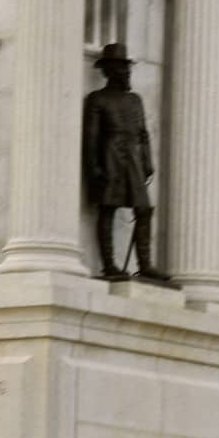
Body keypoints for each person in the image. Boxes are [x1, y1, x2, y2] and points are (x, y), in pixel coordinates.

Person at [83, 43, 168, 281]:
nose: (127, 73)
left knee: (144, 209)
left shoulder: (134, 100)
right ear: (110, 71)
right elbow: (91, 137)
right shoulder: (97, 98)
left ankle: (145, 263)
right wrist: (94, 167)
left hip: (133, 156)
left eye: (127, 68)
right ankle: (109, 264)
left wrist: (147, 161)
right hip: (111, 155)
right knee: (108, 207)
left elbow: (143, 133)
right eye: (122, 69)